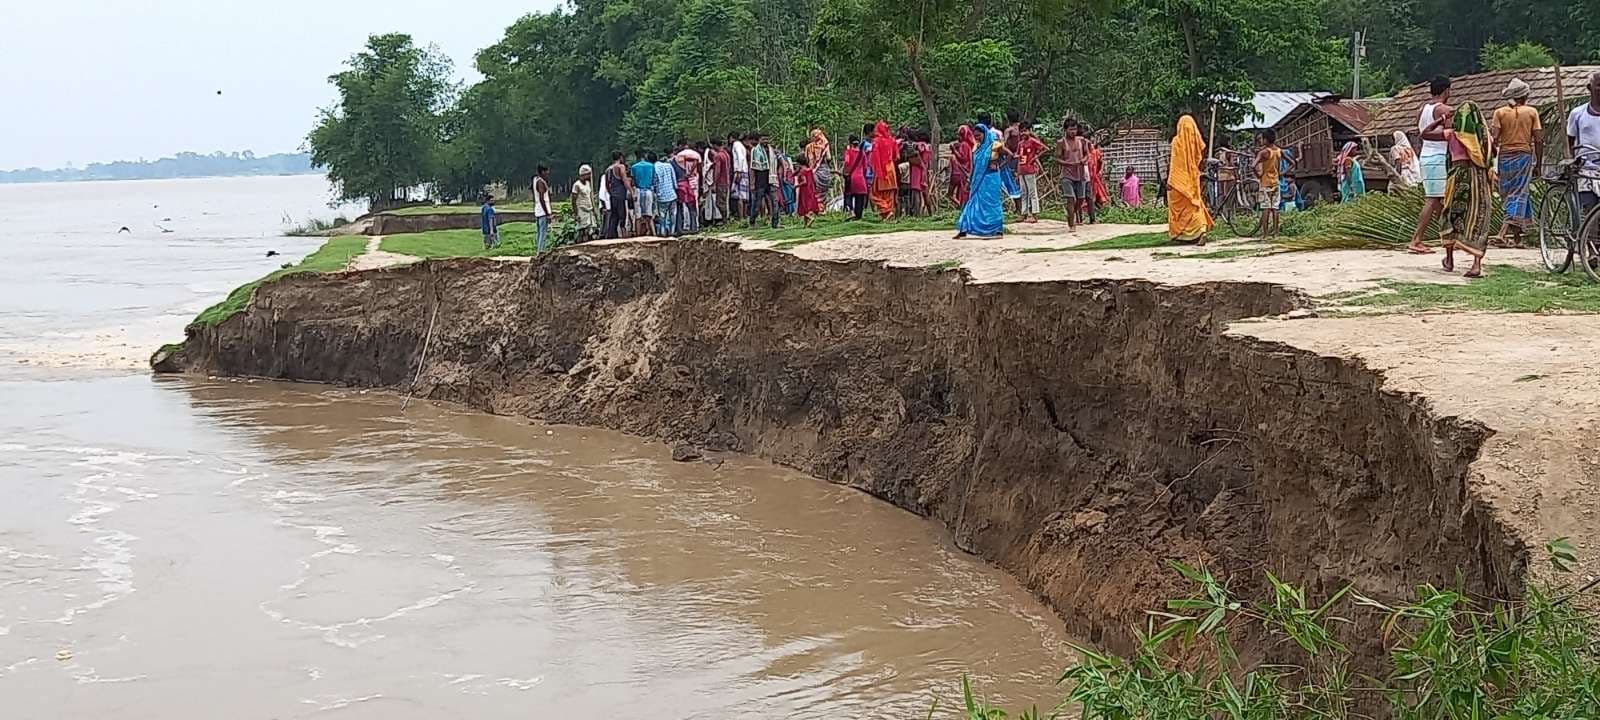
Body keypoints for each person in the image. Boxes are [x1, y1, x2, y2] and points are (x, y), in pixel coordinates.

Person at [1434, 101, 1494, 278]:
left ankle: (1449, 259)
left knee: (1452, 215)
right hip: (1479, 177)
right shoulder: (1484, 136)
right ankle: (1476, 265)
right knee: (1478, 216)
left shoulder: (1452, 134)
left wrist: (1442, 120)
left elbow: (1425, 134)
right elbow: (1493, 153)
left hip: (1458, 175)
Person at [1491, 77, 1543, 245]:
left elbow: (1494, 139)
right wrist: (1539, 164)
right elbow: (1538, 140)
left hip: (1505, 156)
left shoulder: (1499, 113)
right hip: (1524, 155)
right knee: (1519, 193)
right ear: (1525, 96)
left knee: (1510, 193)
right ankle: (1504, 232)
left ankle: (1517, 236)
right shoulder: (1532, 112)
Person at [1408, 75, 1453, 254]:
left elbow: (1419, 130)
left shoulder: (1422, 109)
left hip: (1425, 156)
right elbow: (1450, 135)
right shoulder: (1445, 110)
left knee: (1437, 201)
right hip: (1438, 156)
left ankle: (1448, 237)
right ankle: (1416, 239)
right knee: (1433, 199)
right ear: (1446, 91)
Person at [955, 112, 1007, 239]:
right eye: (975, 136)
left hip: (992, 178)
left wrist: (999, 164)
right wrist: (969, 179)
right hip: (978, 180)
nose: (977, 138)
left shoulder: (995, 145)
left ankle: (997, 230)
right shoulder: (976, 148)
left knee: (993, 205)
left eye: (979, 136)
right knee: (972, 202)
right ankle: (964, 229)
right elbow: (974, 166)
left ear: (985, 134)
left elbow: (1010, 154)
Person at [1168, 115, 1215, 245]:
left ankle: (1181, 235)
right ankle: (1201, 230)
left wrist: (1170, 181)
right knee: (1194, 205)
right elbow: (1200, 157)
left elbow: (1174, 164)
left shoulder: (1176, 142)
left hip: (1178, 180)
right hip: (1193, 178)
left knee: (1182, 208)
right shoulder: (1196, 141)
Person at [1569, 72, 1600, 218]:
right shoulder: (1578, 114)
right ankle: (1590, 240)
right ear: (1590, 87)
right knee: (1590, 211)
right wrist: (1573, 160)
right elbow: (1570, 140)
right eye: (1598, 85)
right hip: (1586, 170)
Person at [1056, 119, 1090, 230]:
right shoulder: (1061, 142)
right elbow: (1057, 158)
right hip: (1067, 174)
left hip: (1080, 174)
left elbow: (1086, 155)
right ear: (1065, 130)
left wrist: (1083, 160)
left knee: (1080, 199)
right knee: (1071, 199)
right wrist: (1067, 163)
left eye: (1075, 129)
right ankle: (1071, 224)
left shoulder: (1082, 141)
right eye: (1070, 129)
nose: (1073, 132)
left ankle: (1071, 214)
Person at [1254, 129, 1285, 238]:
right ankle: (1276, 233)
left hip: (1265, 182)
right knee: (1275, 208)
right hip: (1276, 182)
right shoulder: (1278, 151)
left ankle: (1265, 234)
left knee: (1266, 208)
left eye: (1262, 138)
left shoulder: (1263, 152)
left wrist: (1258, 175)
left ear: (1266, 139)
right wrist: (1282, 173)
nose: (1261, 141)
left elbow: (1253, 165)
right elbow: (1292, 162)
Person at [1017, 121, 1047, 222]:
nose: (1023, 133)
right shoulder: (1020, 143)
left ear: (1029, 131)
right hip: (1022, 169)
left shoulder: (1033, 141)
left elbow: (1045, 148)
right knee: (1024, 192)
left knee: (1032, 192)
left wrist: (1035, 157)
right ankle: (1023, 213)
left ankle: (1034, 214)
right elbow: (1018, 155)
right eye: (1021, 131)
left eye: (1025, 131)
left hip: (1030, 169)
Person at [869, 121, 899, 220]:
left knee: (875, 193)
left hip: (882, 168)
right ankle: (887, 215)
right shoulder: (892, 140)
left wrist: (878, 171)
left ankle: (886, 210)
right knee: (889, 194)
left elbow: (875, 158)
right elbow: (897, 157)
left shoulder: (876, 141)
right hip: (891, 168)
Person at [748, 134, 779, 228]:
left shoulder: (771, 150)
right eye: (763, 139)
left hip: (770, 179)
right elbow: (753, 168)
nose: (765, 141)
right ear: (759, 140)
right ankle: (752, 221)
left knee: (774, 202)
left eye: (767, 139)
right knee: (757, 204)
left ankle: (775, 223)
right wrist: (752, 183)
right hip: (760, 180)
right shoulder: (755, 150)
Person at [602, 151, 631, 240]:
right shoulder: (620, 167)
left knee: (614, 216)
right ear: (620, 157)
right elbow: (624, 180)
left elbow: (607, 184)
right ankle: (623, 235)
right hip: (620, 195)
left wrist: (610, 192)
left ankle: (611, 235)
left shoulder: (608, 169)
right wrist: (631, 191)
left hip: (613, 195)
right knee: (622, 215)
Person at [630, 150, 657, 237]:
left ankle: (638, 236)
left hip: (638, 191)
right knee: (649, 215)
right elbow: (654, 179)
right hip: (649, 191)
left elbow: (633, 182)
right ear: (645, 155)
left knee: (638, 216)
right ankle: (654, 234)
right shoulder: (651, 166)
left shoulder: (634, 167)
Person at [1001, 109, 1024, 210]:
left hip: (1013, 157)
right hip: (1023, 157)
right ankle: (1022, 207)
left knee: (1012, 181)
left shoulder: (1009, 130)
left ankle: (1019, 207)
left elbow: (1003, 144)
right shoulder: (1023, 128)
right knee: (1020, 181)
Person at [571, 164, 599, 244]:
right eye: (588, 174)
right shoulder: (577, 185)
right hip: (581, 211)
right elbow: (573, 200)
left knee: (591, 231)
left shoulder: (588, 184)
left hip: (589, 210)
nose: (589, 176)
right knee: (582, 231)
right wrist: (576, 214)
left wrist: (594, 209)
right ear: (584, 175)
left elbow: (590, 197)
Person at [843, 135, 868, 220]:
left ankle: (850, 212)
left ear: (850, 142)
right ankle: (858, 217)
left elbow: (846, 163)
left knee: (848, 195)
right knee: (860, 199)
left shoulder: (848, 152)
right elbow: (865, 167)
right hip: (861, 178)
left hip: (851, 178)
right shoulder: (862, 153)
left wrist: (845, 172)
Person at [530, 166, 554, 253]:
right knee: (542, 234)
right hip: (542, 212)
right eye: (547, 171)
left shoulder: (535, 180)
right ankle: (540, 252)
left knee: (540, 233)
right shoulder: (541, 182)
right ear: (543, 172)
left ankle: (539, 251)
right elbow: (541, 198)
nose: (548, 174)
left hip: (538, 211)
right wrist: (548, 213)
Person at [654, 150, 678, 236]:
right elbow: (674, 179)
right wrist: (675, 189)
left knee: (662, 215)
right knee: (673, 214)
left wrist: (656, 192)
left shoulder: (654, 168)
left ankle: (663, 232)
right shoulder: (669, 165)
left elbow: (655, 182)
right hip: (672, 194)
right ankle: (672, 231)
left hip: (662, 196)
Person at [949, 125, 974, 207]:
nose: (958, 137)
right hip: (965, 172)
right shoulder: (969, 145)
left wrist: (954, 150)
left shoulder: (964, 145)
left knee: (956, 193)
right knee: (962, 192)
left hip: (961, 171)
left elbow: (963, 158)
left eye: (960, 135)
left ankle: (962, 206)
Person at [711, 138, 733, 226]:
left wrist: (714, 183)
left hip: (721, 181)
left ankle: (725, 220)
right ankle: (725, 219)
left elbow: (717, 170)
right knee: (724, 201)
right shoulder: (726, 154)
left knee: (719, 202)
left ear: (715, 145)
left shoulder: (718, 156)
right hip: (727, 181)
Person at [796, 155, 821, 228]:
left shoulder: (802, 171)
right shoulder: (809, 170)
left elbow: (804, 181)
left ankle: (810, 218)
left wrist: (796, 186)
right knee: (807, 207)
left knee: (803, 208)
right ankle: (806, 225)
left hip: (804, 191)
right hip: (810, 190)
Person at [731, 132, 751, 220]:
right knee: (744, 196)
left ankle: (741, 217)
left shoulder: (736, 144)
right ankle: (745, 215)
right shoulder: (742, 146)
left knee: (739, 196)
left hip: (740, 170)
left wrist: (738, 171)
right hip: (744, 170)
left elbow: (740, 157)